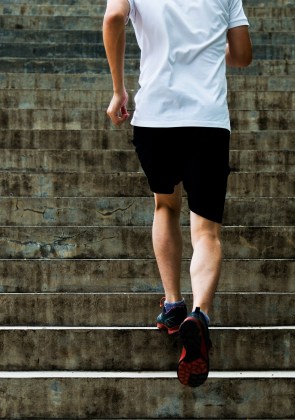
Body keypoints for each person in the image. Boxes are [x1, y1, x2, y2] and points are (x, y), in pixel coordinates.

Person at [102, 0, 252, 387]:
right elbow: (243, 55)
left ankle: (173, 304)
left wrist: (119, 90)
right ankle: (199, 315)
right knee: (206, 231)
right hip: (207, 120)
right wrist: (207, 44)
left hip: (156, 118)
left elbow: (114, 17)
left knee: (165, 206)